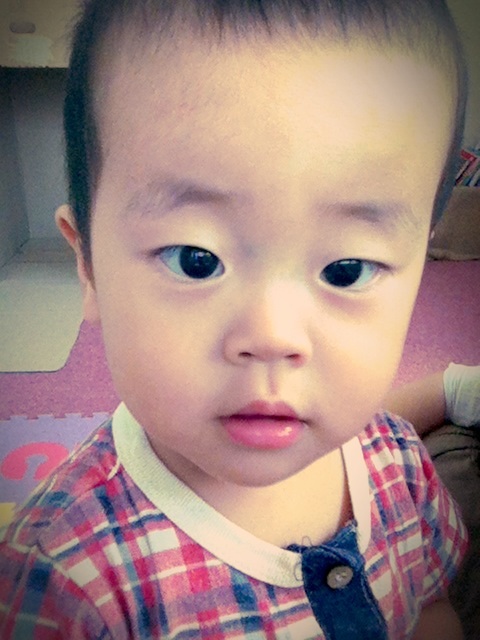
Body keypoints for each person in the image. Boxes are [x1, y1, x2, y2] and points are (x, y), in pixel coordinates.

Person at [0, 1, 472, 637]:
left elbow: (430, 608)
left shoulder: (399, 464)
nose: (272, 337)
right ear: (87, 264)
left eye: (346, 269)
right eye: (196, 260)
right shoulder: (63, 583)